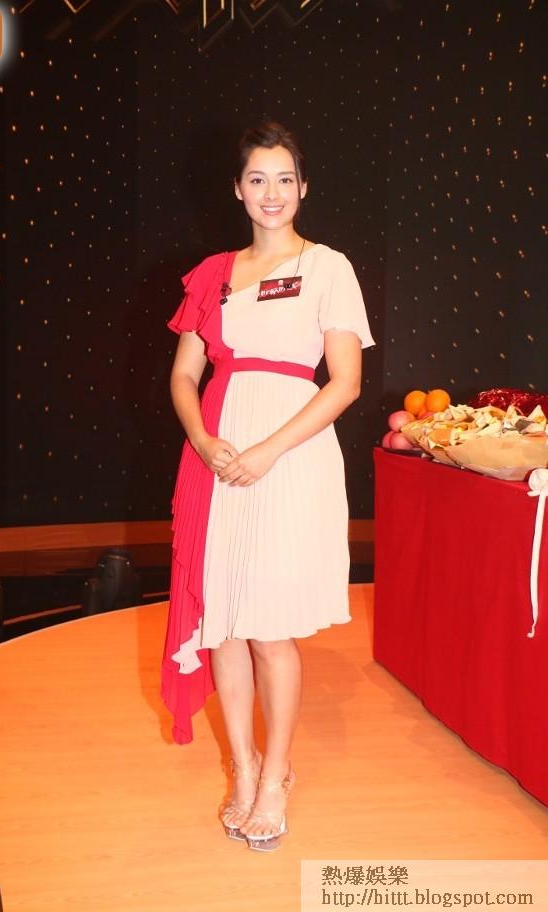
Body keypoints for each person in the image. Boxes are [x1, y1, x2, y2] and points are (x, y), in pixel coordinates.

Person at [161, 120, 375, 852]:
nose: (272, 192)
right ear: (238, 189)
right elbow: (184, 375)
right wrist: (203, 441)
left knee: (270, 628)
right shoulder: (213, 273)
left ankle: (278, 773)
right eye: (258, 179)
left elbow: (346, 382)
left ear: (303, 187)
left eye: (285, 178)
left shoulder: (328, 267)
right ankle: (244, 767)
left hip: (292, 453)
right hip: (218, 453)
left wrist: (269, 452)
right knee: (223, 620)